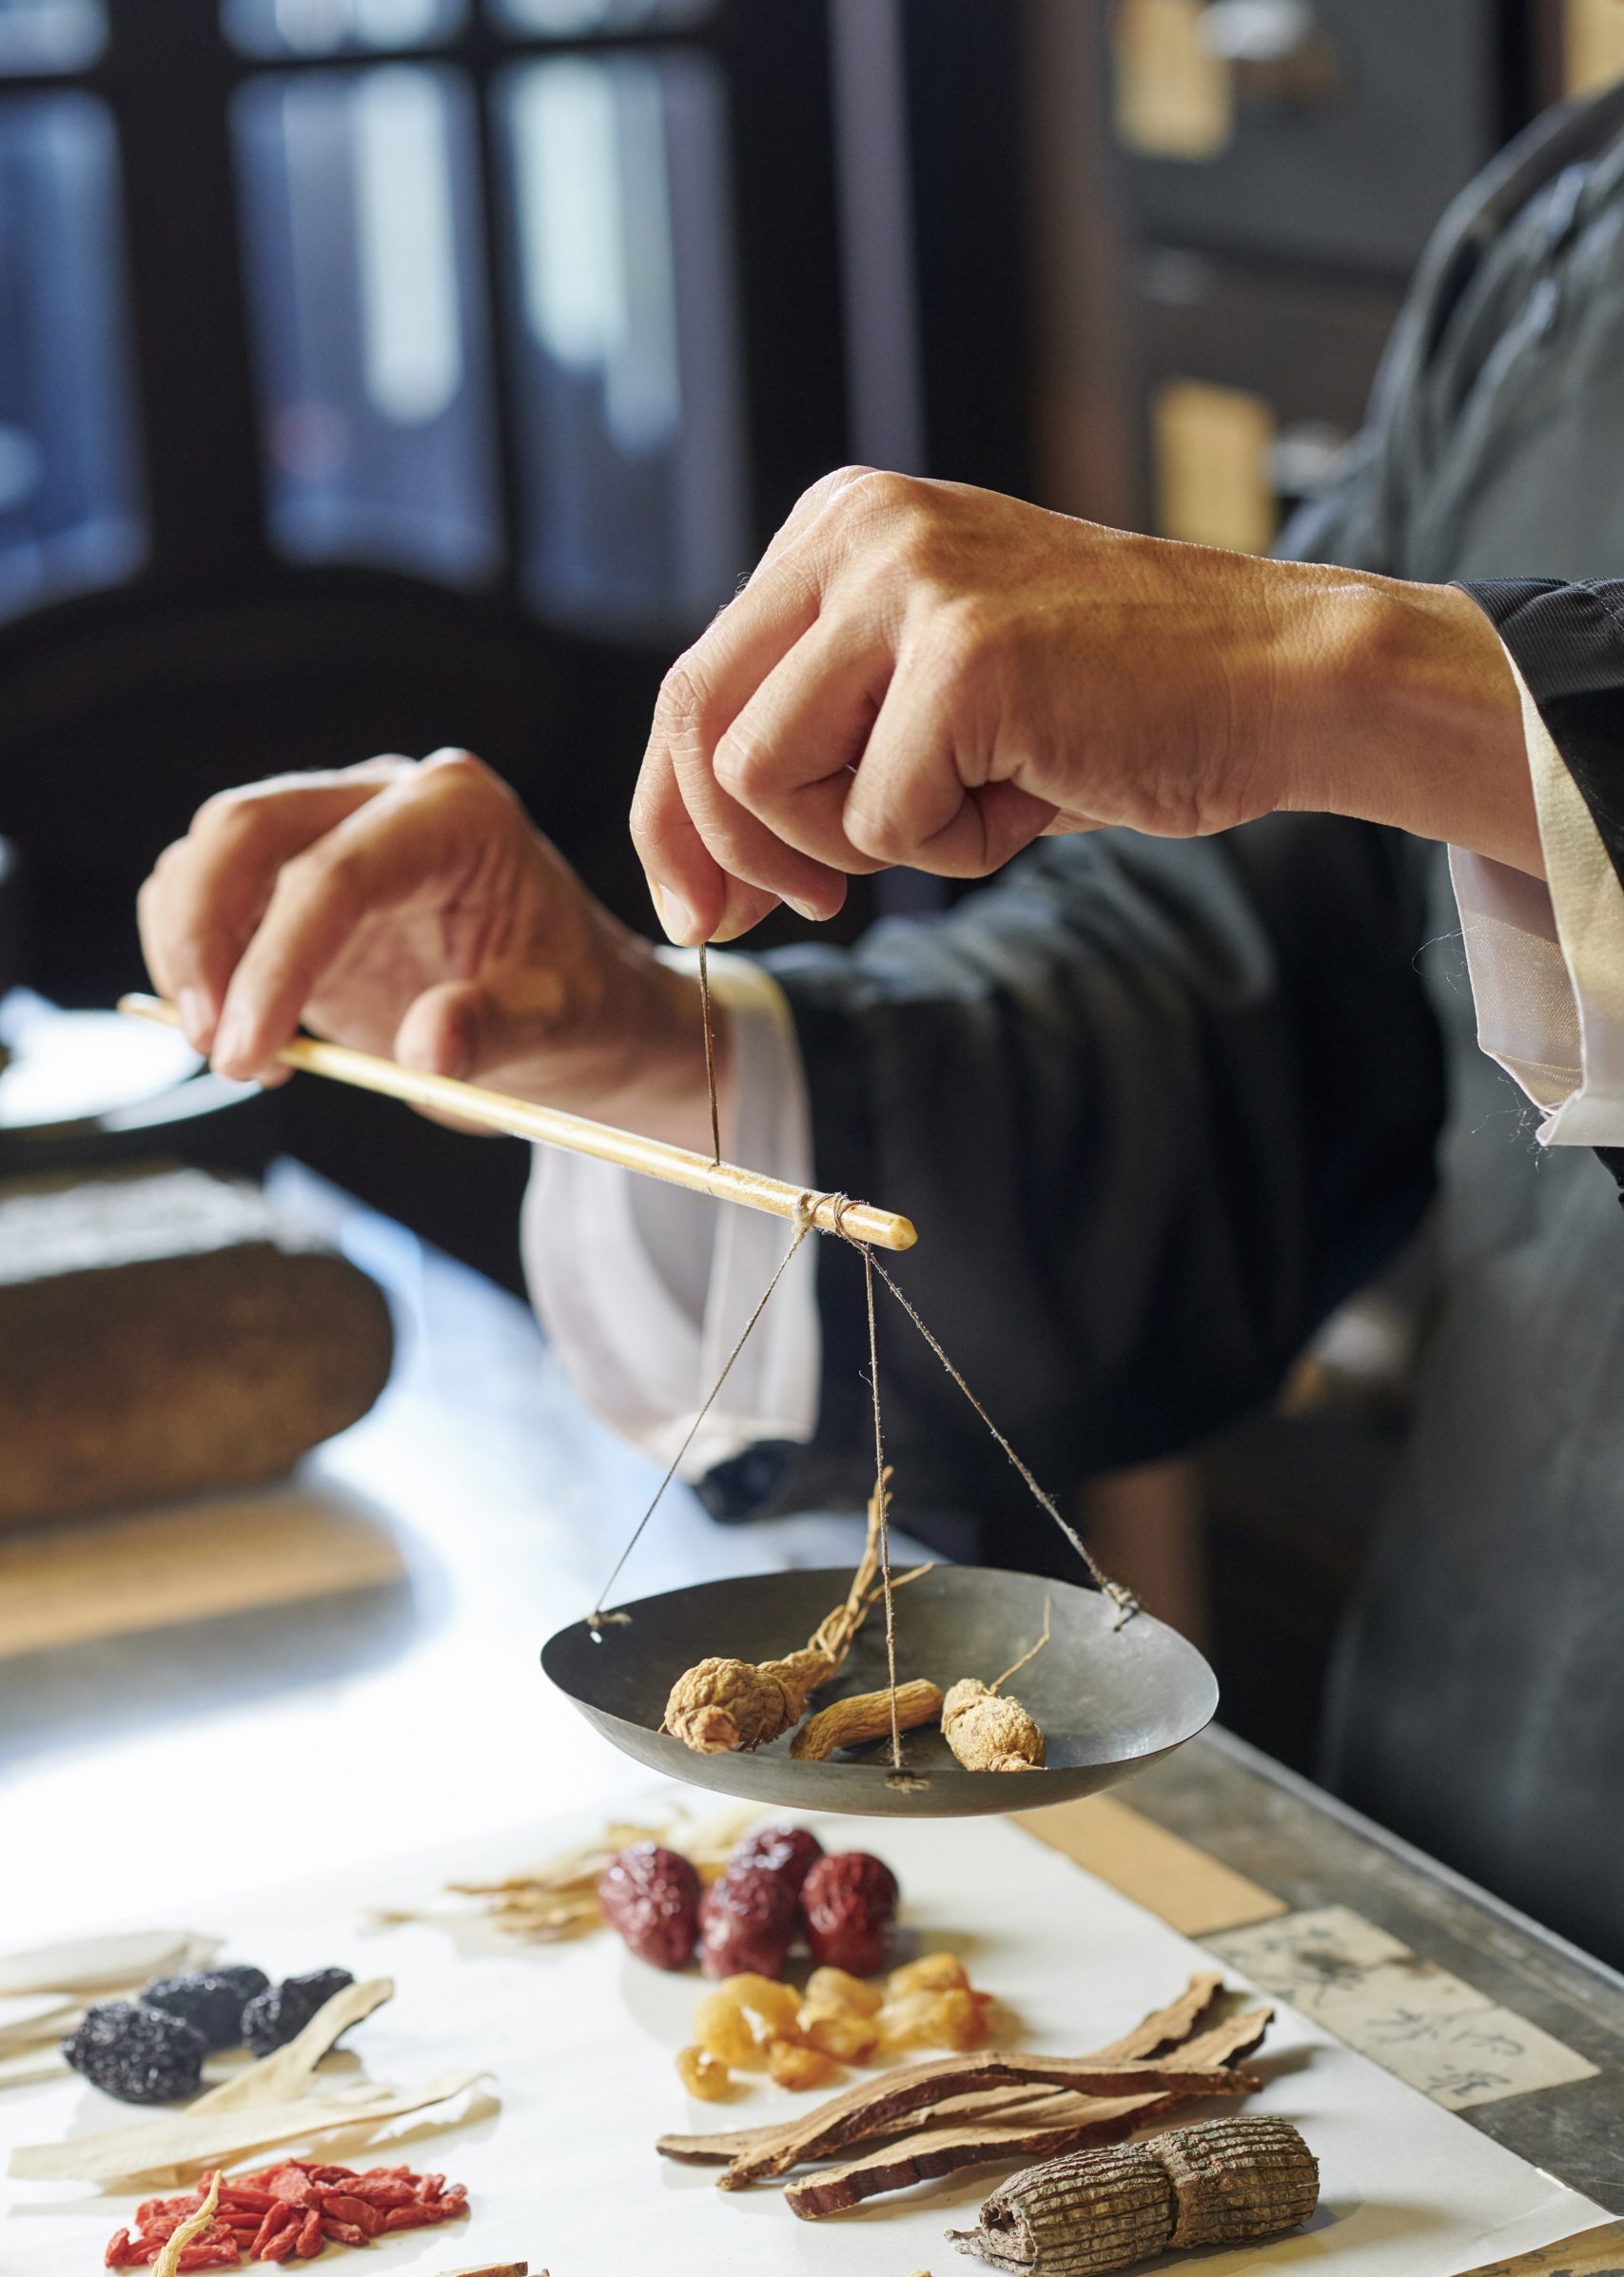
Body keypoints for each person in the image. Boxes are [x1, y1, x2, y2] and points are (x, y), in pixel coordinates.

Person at [140, 79, 1624, 1963]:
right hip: (1462, 1947)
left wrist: (1373, 682)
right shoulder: (1575, 237)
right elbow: (1205, 1039)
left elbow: (1354, 701)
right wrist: (644, 1047)